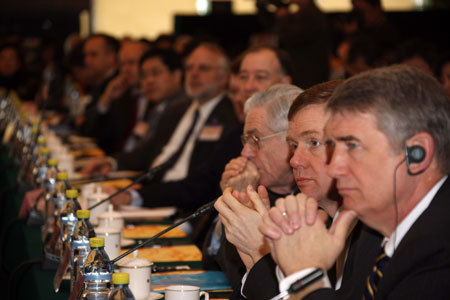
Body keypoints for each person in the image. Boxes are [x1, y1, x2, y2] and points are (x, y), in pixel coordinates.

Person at [260, 65, 450, 299]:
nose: (336, 165)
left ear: (417, 153)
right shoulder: (376, 233)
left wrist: (305, 277)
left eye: (352, 146)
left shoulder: (440, 246)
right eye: (332, 146)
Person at [206, 84, 301, 296]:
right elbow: (226, 270)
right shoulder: (263, 192)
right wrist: (231, 209)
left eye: (254, 139)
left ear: (290, 139)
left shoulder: (317, 201)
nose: (245, 152)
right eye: (246, 140)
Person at [81, 40, 148, 153]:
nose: (126, 69)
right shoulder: (122, 94)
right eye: (122, 64)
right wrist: (105, 99)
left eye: (131, 63)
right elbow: (89, 133)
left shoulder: (155, 100)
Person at [76, 34, 119, 129]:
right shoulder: (98, 82)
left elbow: (100, 129)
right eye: (86, 55)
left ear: (111, 57)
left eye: (93, 55)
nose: (87, 60)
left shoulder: (117, 85)